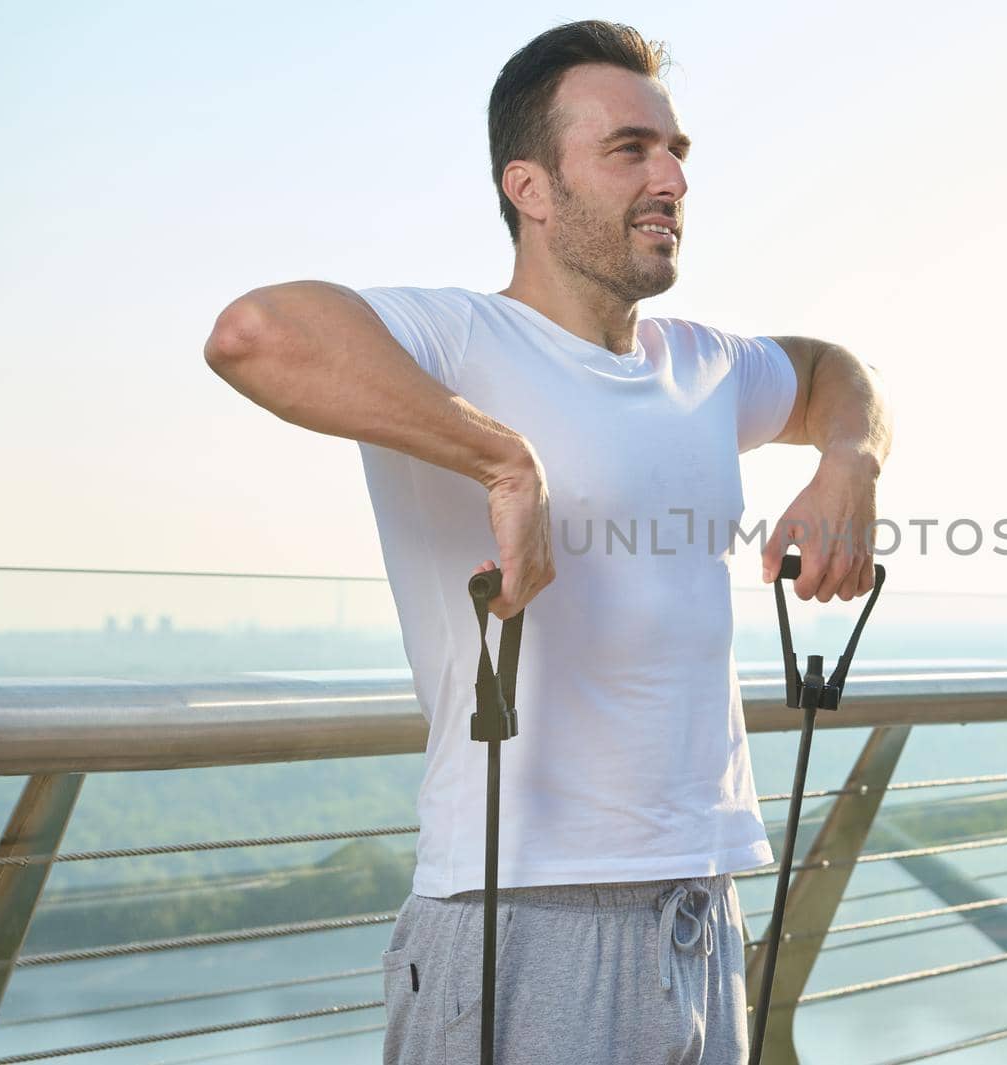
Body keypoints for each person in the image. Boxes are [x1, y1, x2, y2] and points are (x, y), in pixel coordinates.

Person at [202, 18, 893, 1065]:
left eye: (676, 153)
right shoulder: (455, 339)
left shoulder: (701, 364)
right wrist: (500, 460)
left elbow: (836, 370)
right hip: (524, 916)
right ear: (529, 188)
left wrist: (850, 461)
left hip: (702, 905)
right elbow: (253, 332)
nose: (670, 177)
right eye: (629, 151)